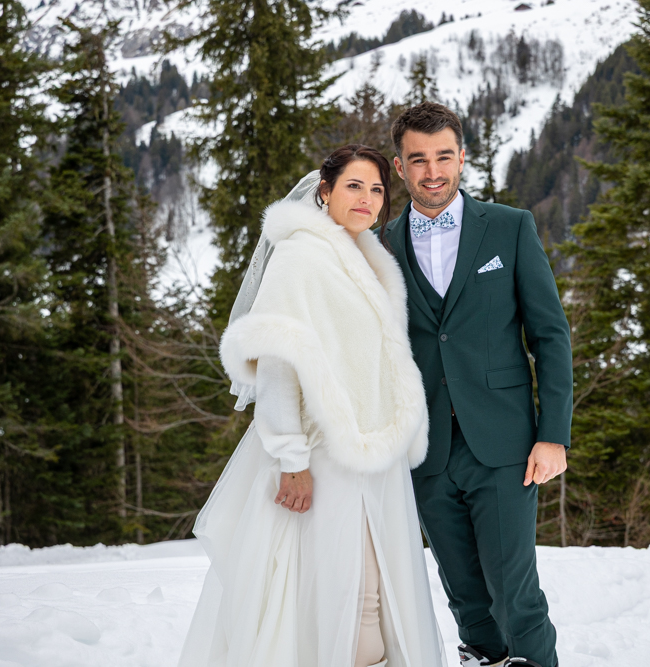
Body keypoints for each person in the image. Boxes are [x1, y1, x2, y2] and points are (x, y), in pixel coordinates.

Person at [177, 145, 445, 667]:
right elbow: (279, 363)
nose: (367, 199)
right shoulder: (300, 256)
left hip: (376, 457)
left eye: (376, 189)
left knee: (376, 597)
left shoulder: (367, 257)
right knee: (346, 601)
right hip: (324, 453)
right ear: (325, 190)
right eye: (353, 186)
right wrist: (291, 458)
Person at [383, 103, 573, 667]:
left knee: (515, 595)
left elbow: (549, 336)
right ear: (399, 167)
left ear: (462, 158)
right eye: (419, 159)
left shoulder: (510, 227)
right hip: (426, 450)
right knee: (466, 599)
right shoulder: (381, 245)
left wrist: (553, 434)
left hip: (505, 446)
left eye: (444, 156)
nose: (433, 171)